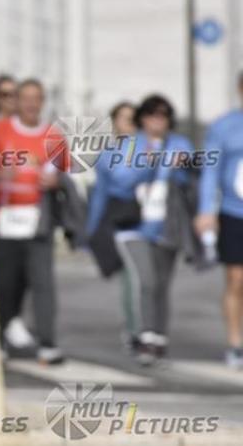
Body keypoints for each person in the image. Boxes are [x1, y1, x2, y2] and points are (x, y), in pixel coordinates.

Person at [87, 95, 194, 365]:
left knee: (161, 284)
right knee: (145, 280)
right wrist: (148, 162)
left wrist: (183, 166)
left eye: (163, 115)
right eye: (151, 115)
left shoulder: (179, 144)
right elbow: (120, 181)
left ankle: (159, 336)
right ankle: (144, 335)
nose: (157, 121)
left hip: (166, 225)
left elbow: (191, 178)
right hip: (133, 225)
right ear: (142, 119)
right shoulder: (128, 145)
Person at [0, 79, 67, 365]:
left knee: (43, 282)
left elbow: (63, 174)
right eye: (26, 98)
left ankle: (47, 342)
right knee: (5, 283)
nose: (31, 104)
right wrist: (0, 174)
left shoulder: (53, 136)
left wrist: (55, 181)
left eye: (37, 98)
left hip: (38, 220)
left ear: (42, 102)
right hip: (4, 219)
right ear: (17, 101)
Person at [86, 100, 142, 349]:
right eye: (124, 118)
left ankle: (148, 328)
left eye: (133, 118)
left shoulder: (149, 148)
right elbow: (101, 193)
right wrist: (91, 229)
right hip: (123, 217)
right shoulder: (108, 154)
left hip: (149, 220)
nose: (129, 123)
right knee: (131, 277)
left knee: (148, 280)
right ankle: (133, 328)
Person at [197, 71, 243, 368]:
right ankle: (235, 343)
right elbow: (210, 171)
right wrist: (206, 210)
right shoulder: (224, 126)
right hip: (234, 211)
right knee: (236, 279)